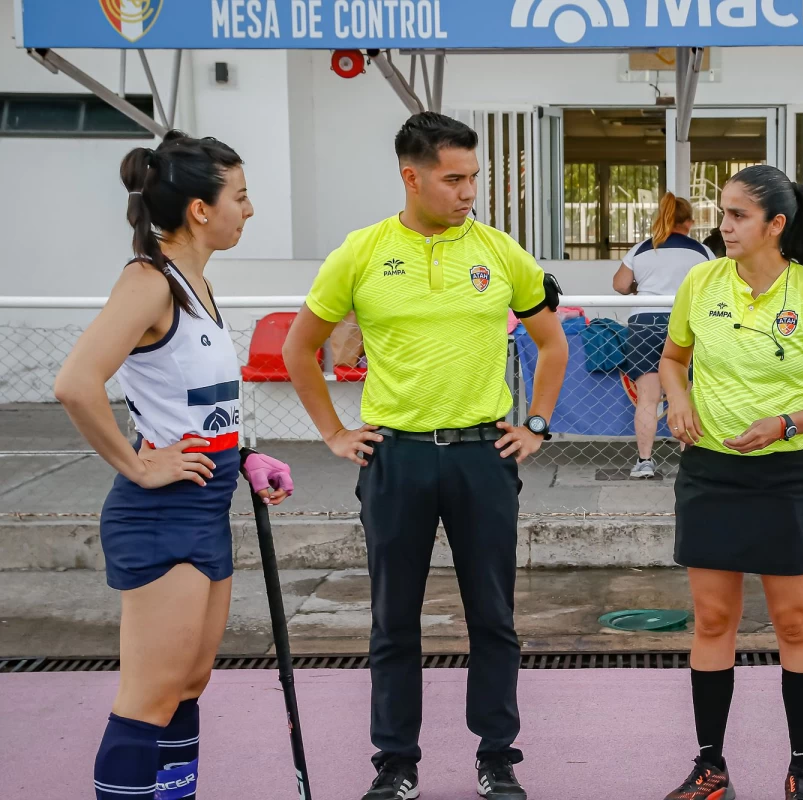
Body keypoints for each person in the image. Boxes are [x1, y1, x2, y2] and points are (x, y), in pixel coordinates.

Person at [282, 111, 569, 800]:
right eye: (453, 178)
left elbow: (552, 344)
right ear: (411, 177)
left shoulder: (501, 252)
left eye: (474, 177)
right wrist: (333, 433)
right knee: (393, 621)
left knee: (493, 617)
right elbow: (300, 349)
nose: (468, 191)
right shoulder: (361, 251)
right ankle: (396, 763)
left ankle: (497, 757)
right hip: (396, 458)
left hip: (482, 456)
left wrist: (535, 425)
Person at [54, 131, 295, 800]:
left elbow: (190, 406)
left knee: (188, 685)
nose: (249, 210)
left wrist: (243, 456)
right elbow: (76, 382)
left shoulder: (197, 285)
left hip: (206, 499)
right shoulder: (148, 281)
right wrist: (137, 465)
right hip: (160, 512)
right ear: (198, 208)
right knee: (148, 697)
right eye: (240, 197)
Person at [659, 165, 803, 800]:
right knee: (713, 618)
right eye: (722, 213)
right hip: (710, 473)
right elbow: (672, 358)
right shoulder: (701, 280)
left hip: (786, 477)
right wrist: (676, 399)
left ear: (777, 225)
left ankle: (801, 770)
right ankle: (710, 768)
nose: (724, 226)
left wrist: (783, 424)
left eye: (738, 215)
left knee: (797, 625)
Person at [613, 192, 714, 478]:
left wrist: (640, 289)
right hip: (683, 323)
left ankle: (644, 461)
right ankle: (688, 462)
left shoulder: (642, 249)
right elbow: (714, 288)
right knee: (684, 393)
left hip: (644, 322)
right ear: (690, 222)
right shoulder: (701, 251)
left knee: (647, 396)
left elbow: (620, 285)